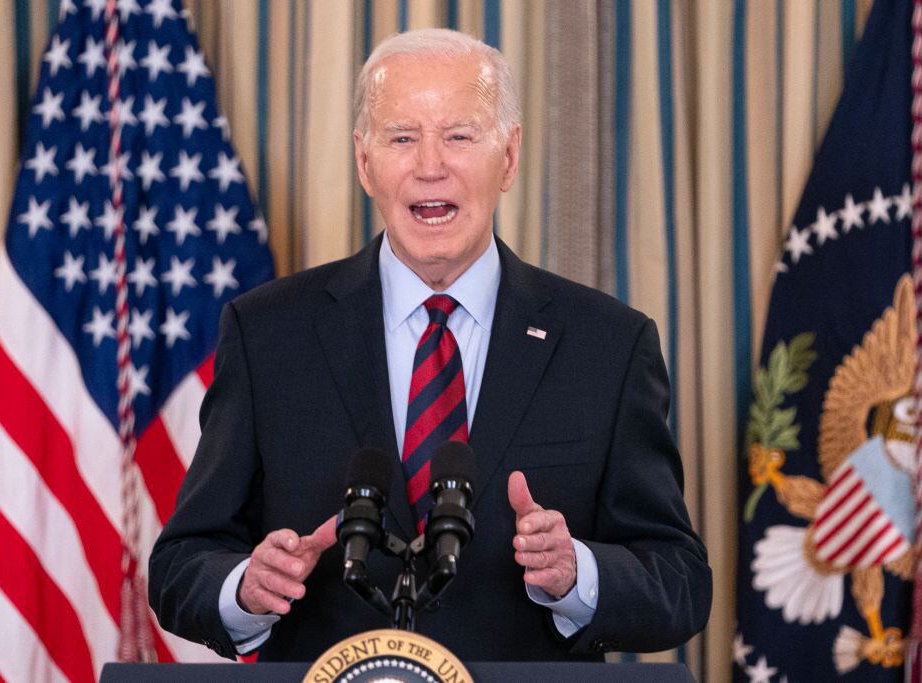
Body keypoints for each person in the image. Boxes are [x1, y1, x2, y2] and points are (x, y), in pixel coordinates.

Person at [149, 28, 711, 663]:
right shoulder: (267, 333)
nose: (430, 165)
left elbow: (679, 583)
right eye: (402, 138)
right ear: (365, 162)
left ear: (510, 154)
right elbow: (180, 563)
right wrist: (245, 588)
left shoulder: (607, 345)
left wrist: (578, 573)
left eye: (459, 136)